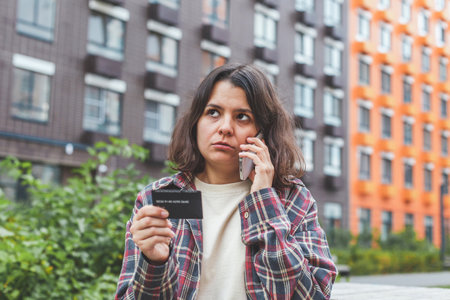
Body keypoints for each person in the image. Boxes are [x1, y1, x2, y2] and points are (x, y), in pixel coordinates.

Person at [115, 63, 337, 299]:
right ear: (196, 122)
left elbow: (313, 296)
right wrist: (155, 263)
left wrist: (264, 201)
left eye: (242, 117)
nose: (225, 128)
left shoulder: (292, 198)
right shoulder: (157, 198)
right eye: (213, 112)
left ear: (262, 132)